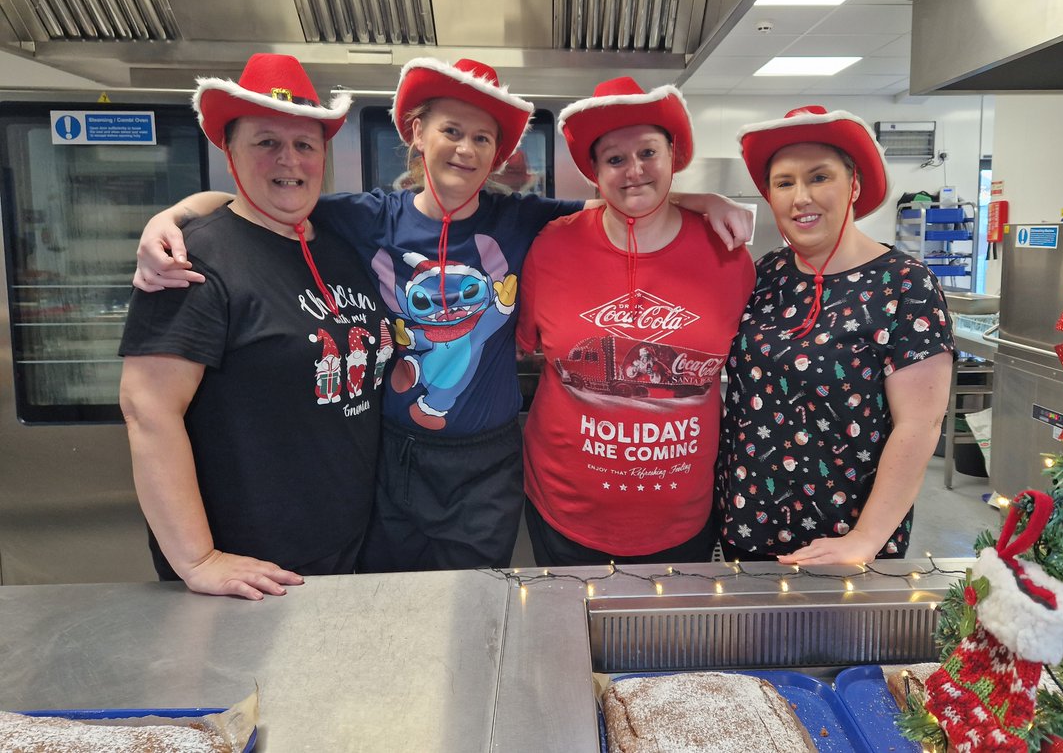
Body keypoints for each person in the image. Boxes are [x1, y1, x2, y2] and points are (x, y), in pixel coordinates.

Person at [133, 58, 753, 573]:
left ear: (496, 154)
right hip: (389, 456)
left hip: (488, 462)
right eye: (451, 131)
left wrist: (703, 199)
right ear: (417, 135)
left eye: (483, 138)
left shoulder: (522, 220)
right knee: (390, 604)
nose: (466, 149)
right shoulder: (368, 218)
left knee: (470, 606)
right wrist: (181, 213)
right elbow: (266, 207)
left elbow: (621, 199)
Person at [118, 53, 386, 600]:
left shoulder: (335, 245)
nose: (289, 158)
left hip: (345, 548)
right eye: (266, 141)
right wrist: (198, 559)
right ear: (231, 151)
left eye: (305, 144)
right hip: (249, 569)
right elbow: (147, 408)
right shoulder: (196, 260)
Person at [517, 78, 755, 566]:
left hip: (684, 522)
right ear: (595, 173)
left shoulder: (728, 256)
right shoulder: (551, 247)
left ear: (674, 156)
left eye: (648, 152)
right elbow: (525, 345)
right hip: (563, 516)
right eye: (615, 159)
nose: (634, 171)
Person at [716, 105, 954, 566]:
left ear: (854, 186)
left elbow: (919, 425)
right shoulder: (764, 274)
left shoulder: (905, 283)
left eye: (819, 177)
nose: (800, 197)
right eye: (784, 183)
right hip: (747, 524)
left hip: (846, 538)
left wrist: (865, 537)